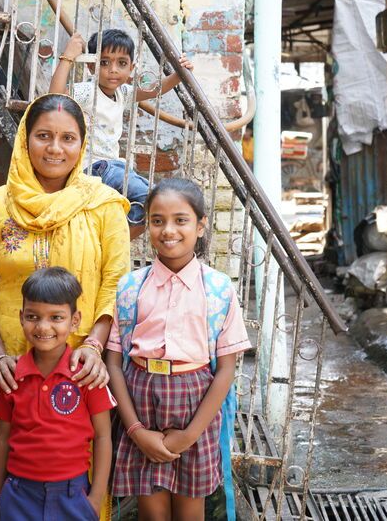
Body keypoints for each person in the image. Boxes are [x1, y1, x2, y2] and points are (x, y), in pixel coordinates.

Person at [0, 93, 131, 519]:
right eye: (43, 136)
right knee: (6, 475)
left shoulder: (102, 205)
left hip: (80, 369)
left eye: (67, 138)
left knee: (77, 479)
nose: (55, 148)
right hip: (9, 370)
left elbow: (117, 284)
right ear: (25, 140)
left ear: (82, 144)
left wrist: (94, 346)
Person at [105, 178, 251, 521]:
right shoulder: (130, 288)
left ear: (200, 226)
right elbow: (114, 363)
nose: (168, 230)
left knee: (190, 510)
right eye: (157, 220)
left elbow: (225, 369)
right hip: (139, 399)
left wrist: (190, 435)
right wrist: (136, 431)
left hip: (196, 402)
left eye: (180, 220)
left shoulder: (217, 290)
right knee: (152, 512)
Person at [0, 267, 116, 521]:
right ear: (21, 317)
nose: (43, 327)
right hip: (19, 496)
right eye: (33, 316)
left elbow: (103, 437)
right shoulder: (12, 376)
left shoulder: (87, 375)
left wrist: (95, 499)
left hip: (72, 496)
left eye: (56, 317)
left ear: (74, 320)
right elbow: (2, 440)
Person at [49, 29, 194, 240]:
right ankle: (112, 243)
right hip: (95, 168)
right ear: (91, 66)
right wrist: (68, 57)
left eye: (122, 64)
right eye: (104, 62)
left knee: (156, 203)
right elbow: (54, 98)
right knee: (153, 199)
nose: (113, 70)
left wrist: (180, 73)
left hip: (115, 167)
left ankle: (110, 243)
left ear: (131, 68)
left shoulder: (123, 93)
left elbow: (155, 90)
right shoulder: (88, 92)